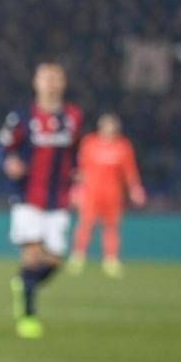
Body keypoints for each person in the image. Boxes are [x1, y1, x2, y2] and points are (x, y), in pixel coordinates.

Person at [0, 62, 84, 339]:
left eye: (55, 78)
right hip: (27, 198)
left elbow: (79, 152)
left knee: (54, 260)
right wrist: (8, 163)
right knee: (33, 256)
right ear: (36, 82)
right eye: (45, 77)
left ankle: (23, 283)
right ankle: (28, 317)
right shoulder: (22, 117)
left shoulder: (73, 117)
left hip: (59, 199)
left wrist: (79, 174)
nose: (50, 83)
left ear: (63, 83)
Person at [67, 113, 146, 278]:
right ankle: (78, 257)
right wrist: (76, 189)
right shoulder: (89, 143)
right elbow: (81, 168)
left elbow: (130, 170)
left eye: (113, 127)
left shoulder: (123, 146)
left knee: (111, 226)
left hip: (113, 193)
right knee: (86, 224)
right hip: (91, 192)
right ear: (100, 127)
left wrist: (135, 188)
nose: (110, 131)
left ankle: (111, 259)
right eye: (107, 127)